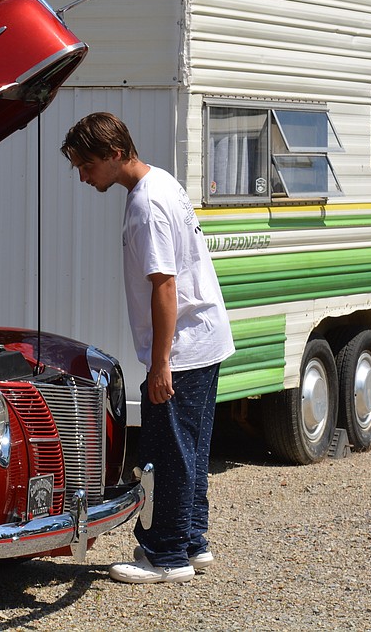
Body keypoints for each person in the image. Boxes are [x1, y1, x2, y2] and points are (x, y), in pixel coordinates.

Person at [60, 112, 234, 584]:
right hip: (205, 337)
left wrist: (160, 365)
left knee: (167, 452)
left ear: (115, 154)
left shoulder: (146, 206)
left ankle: (164, 556)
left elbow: (164, 286)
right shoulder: (162, 183)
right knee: (191, 448)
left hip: (184, 347)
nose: (82, 175)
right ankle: (193, 542)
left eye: (87, 165)